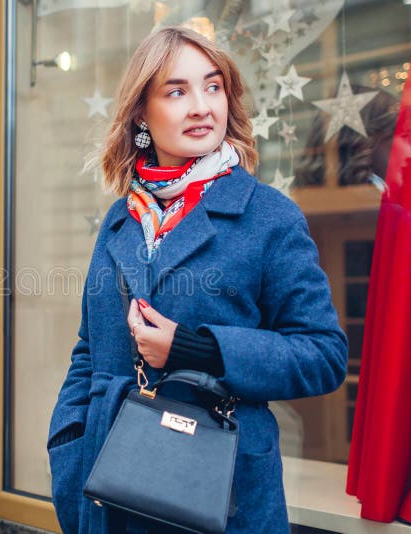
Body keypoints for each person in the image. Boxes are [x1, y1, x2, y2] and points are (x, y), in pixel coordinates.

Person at [47, 26, 348, 534]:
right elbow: (89, 350)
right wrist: (68, 443)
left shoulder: (268, 217)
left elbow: (323, 355)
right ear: (142, 113)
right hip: (108, 488)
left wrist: (196, 349)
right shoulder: (121, 220)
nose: (202, 107)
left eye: (213, 87)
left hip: (221, 497)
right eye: (177, 91)